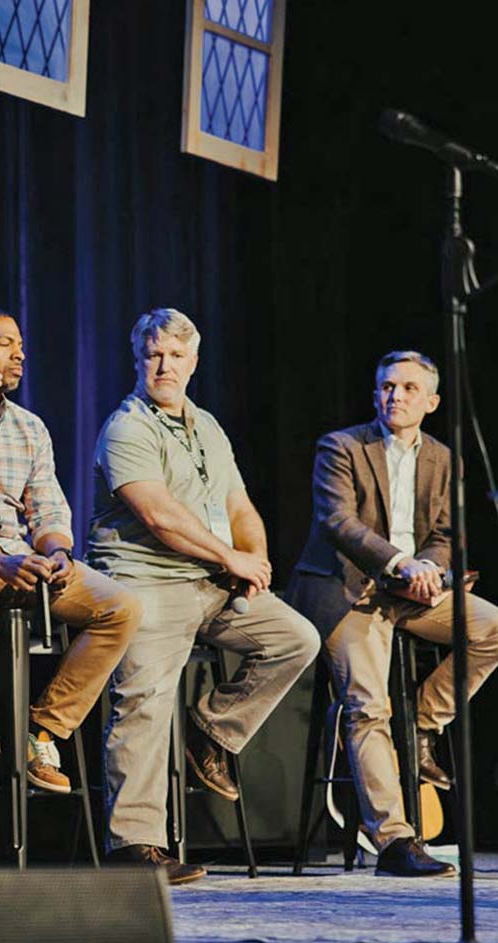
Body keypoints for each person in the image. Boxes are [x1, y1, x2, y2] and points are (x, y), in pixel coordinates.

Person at [88, 307, 319, 883]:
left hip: (210, 580)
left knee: (295, 637)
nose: (164, 365)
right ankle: (135, 847)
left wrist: (254, 559)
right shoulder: (126, 427)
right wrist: (228, 557)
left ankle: (210, 733)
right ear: (138, 359)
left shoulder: (207, 425)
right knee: (143, 702)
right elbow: (160, 516)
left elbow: (238, 505)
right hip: (146, 578)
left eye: (175, 355)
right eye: (153, 355)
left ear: (194, 362)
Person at [287, 350, 498, 877]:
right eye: (388, 387)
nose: (397, 396)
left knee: (496, 630)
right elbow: (338, 524)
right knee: (368, 706)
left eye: (410, 388)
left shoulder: (443, 458)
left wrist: (430, 570)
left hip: (413, 590)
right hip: (349, 589)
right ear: (376, 395)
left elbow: (444, 536)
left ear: (431, 401)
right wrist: (400, 563)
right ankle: (392, 839)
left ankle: (424, 723)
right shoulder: (341, 446)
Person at [0, 308, 141, 794]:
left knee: (120, 607)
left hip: (21, 557)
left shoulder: (30, 428)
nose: (21, 354)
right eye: (6, 343)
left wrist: (57, 554)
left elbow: (50, 512)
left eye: (20, 344)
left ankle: (41, 732)